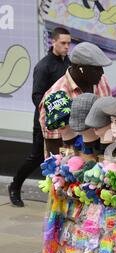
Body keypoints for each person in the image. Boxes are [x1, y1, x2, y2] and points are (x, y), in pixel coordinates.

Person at [8, 27, 71, 207]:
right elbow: (37, 96)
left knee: (63, 158)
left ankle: (61, 195)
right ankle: (15, 185)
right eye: (63, 43)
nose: (67, 47)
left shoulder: (69, 63)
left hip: (64, 123)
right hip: (44, 122)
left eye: (69, 43)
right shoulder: (44, 66)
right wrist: (53, 113)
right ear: (54, 42)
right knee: (37, 157)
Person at [38, 41, 112, 157]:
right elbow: (54, 145)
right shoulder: (55, 96)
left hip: (103, 158)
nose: (102, 72)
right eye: (96, 68)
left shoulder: (101, 81)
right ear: (79, 68)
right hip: (71, 165)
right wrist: (76, 164)